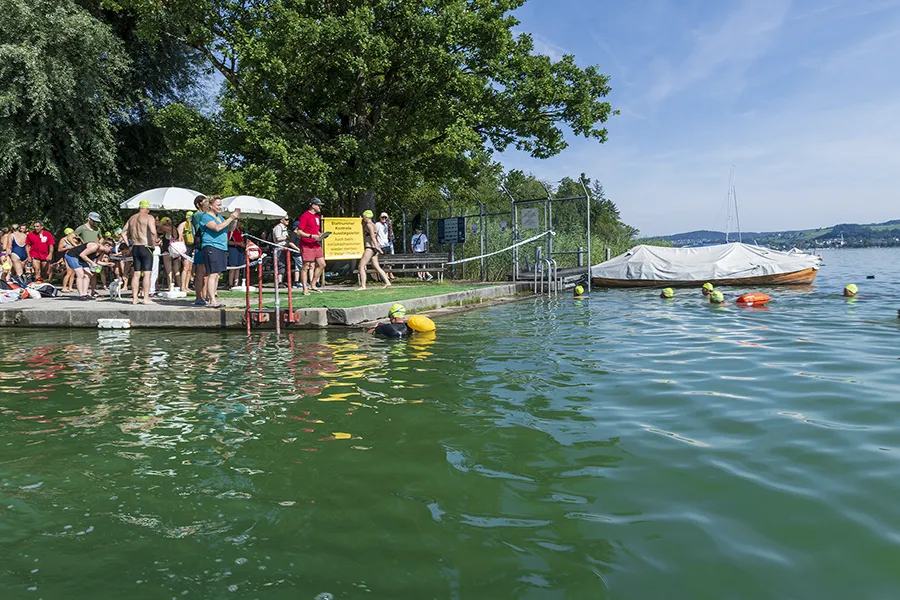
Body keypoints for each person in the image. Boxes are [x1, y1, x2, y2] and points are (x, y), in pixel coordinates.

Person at [199, 196, 241, 308]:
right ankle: (211, 300)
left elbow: (230, 228)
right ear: (210, 205)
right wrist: (231, 217)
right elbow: (217, 228)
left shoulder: (220, 217)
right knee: (212, 273)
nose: (220, 207)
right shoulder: (206, 217)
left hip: (221, 247)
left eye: (220, 205)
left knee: (217, 274)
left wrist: (235, 219)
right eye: (218, 205)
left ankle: (213, 298)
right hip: (211, 246)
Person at [123, 199, 158, 304]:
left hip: (135, 247)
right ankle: (146, 298)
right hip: (146, 246)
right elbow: (153, 232)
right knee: (147, 273)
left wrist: (129, 245)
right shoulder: (149, 217)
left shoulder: (132, 218)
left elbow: (123, 233)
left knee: (136, 273)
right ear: (147, 208)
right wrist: (153, 244)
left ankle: (135, 299)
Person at [296, 198, 327, 295]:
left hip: (316, 244)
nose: (320, 207)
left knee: (322, 264)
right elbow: (299, 232)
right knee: (305, 266)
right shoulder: (305, 216)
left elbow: (315, 230)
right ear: (313, 206)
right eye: (318, 205)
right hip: (307, 244)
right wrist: (311, 236)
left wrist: (320, 234)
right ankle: (305, 288)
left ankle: (312, 285)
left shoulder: (317, 217)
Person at [358, 210, 391, 290]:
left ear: (366, 217)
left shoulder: (369, 225)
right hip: (374, 249)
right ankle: (387, 282)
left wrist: (377, 247)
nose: (363, 218)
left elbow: (373, 237)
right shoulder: (373, 224)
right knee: (377, 267)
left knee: (361, 266)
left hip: (370, 248)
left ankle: (363, 286)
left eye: (364, 217)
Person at [75, 212, 103, 295]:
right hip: (85, 253)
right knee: (85, 273)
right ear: (89, 218)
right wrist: (76, 246)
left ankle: (93, 290)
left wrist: (99, 243)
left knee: (93, 273)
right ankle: (84, 292)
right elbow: (71, 237)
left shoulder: (97, 229)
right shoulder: (81, 228)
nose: (95, 223)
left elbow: (101, 238)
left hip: (94, 253)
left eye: (96, 221)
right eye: (94, 221)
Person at [189, 196, 209, 305]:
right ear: (199, 204)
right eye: (205, 203)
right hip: (200, 246)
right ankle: (198, 297)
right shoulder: (198, 215)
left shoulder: (203, 215)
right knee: (201, 273)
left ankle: (204, 296)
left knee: (207, 274)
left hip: (205, 246)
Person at [57, 228, 79, 292]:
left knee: (73, 273)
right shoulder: (63, 240)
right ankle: (64, 287)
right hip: (67, 256)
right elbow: (59, 249)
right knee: (69, 272)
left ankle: (70, 287)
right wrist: (68, 248)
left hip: (74, 256)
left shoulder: (74, 240)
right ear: (68, 234)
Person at [227, 219, 245, 288]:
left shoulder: (240, 231)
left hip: (240, 249)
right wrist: (237, 243)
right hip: (233, 248)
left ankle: (236, 283)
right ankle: (230, 283)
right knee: (233, 266)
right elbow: (228, 241)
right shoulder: (231, 231)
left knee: (238, 267)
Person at [272, 215, 289, 285]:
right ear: (281, 220)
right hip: (279, 248)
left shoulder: (284, 228)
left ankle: (281, 281)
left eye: (288, 219)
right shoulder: (278, 227)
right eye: (286, 219)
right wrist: (287, 237)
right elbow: (278, 238)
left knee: (283, 264)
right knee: (280, 264)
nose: (288, 221)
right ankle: (279, 281)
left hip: (284, 248)